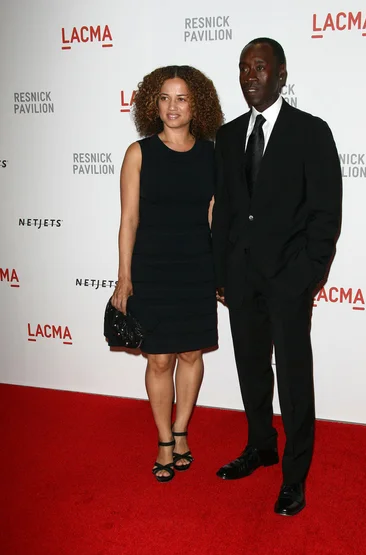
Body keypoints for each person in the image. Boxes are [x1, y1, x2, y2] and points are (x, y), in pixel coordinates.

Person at [212, 38, 342, 515]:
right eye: (244, 67)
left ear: (281, 75)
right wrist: (219, 274)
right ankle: (261, 446)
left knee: (292, 377)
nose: (250, 75)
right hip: (240, 281)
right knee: (250, 369)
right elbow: (224, 211)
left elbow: (326, 214)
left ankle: (294, 475)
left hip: (289, 281)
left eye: (260, 67)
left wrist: (306, 275)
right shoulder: (227, 138)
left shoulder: (311, 132)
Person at [112, 65, 223, 483]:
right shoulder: (138, 153)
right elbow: (128, 220)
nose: (172, 106)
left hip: (197, 266)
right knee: (159, 358)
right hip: (153, 268)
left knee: (192, 353)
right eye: (164, 98)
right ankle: (163, 440)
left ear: (197, 105)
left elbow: (215, 216)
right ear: (152, 104)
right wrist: (125, 278)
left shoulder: (213, 154)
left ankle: (181, 433)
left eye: (181, 98)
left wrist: (222, 270)